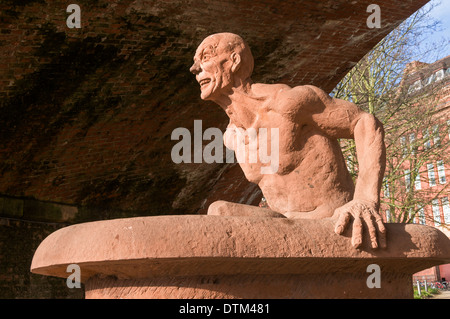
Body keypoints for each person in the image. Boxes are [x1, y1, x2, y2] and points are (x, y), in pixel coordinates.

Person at [190, 33, 387, 249]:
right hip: (286, 226)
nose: (195, 68)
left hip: (333, 222)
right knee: (219, 211)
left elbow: (364, 123)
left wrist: (364, 199)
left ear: (234, 61)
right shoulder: (232, 136)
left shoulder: (289, 103)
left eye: (205, 57)